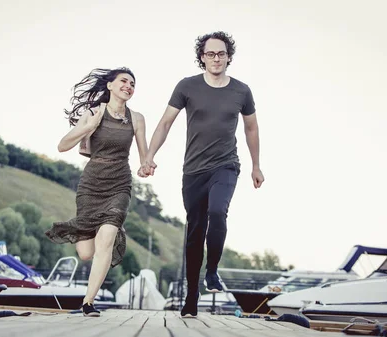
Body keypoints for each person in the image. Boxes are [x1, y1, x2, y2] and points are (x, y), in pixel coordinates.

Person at [143, 31, 264, 318]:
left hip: (226, 165)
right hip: (193, 170)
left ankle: (212, 271)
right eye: (210, 53)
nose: (216, 58)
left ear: (229, 57)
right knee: (195, 232)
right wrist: (149, 156)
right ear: (202, 57)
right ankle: (192, 294)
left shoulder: (241, 91)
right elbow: (165, 123)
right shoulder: (187, 86)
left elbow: (251, 128)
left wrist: (256, 165)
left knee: (218, 211)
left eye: (221, 53)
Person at [45, 67, 149, 317]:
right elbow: (62, 146)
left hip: (119, 184)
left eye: (133, 83)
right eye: (124, 81)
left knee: (107, 238)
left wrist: (147, 164)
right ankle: (87, 229)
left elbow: (144, 154)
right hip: (91, 185)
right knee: (85, 253)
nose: (129, 86)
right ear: (110, 86)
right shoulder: (93, 113)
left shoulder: (137, 118)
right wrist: (87, 126)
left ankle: (88, 302)